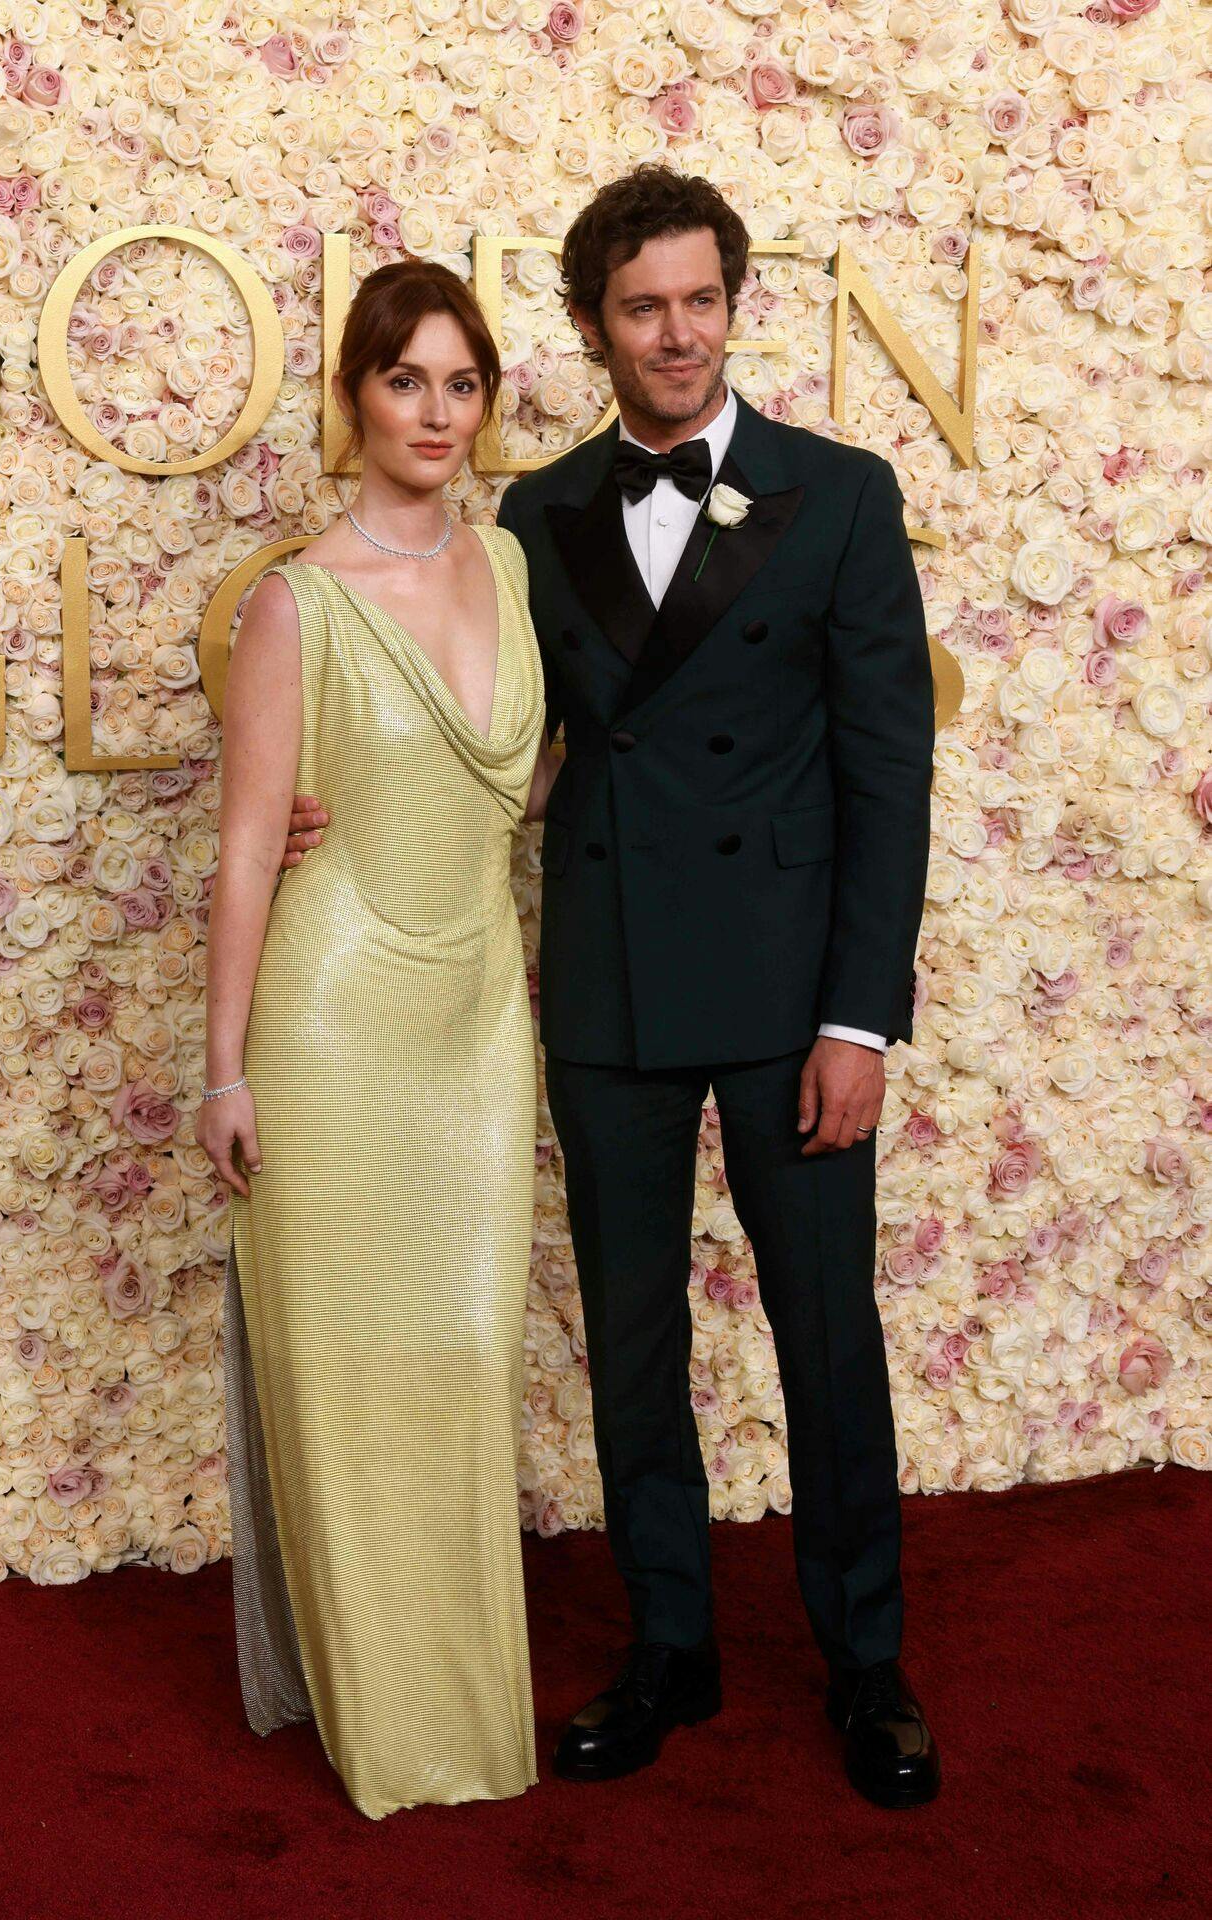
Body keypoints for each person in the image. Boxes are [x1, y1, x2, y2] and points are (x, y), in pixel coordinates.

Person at [282, 165, 941, 1810]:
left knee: (826, 1334)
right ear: (592, 326)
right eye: (642, 305)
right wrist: (322, 799)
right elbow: (479, 725)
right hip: (611, 983)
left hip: (797, 1003)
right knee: (634, 1345)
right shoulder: (535, 521)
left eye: (701, 298)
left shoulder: (842, 494)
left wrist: (862, 1018)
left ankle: (869, 1667)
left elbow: (889, 775)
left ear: (735, 303)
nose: (677, 331)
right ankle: (671, 1649)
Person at [199, 257, 557, 1820]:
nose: (435, 410)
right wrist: (222, 1065)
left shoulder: (514, 568)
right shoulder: (297, 599)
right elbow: (244, 842)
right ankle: (380, 1726)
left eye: (460, 381)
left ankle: (466, 1709)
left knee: (463, 1358)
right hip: (334, 1023)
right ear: (353, 401)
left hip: (477, 1018)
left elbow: (512, 779)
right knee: (348, 1370)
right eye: (404, 379)